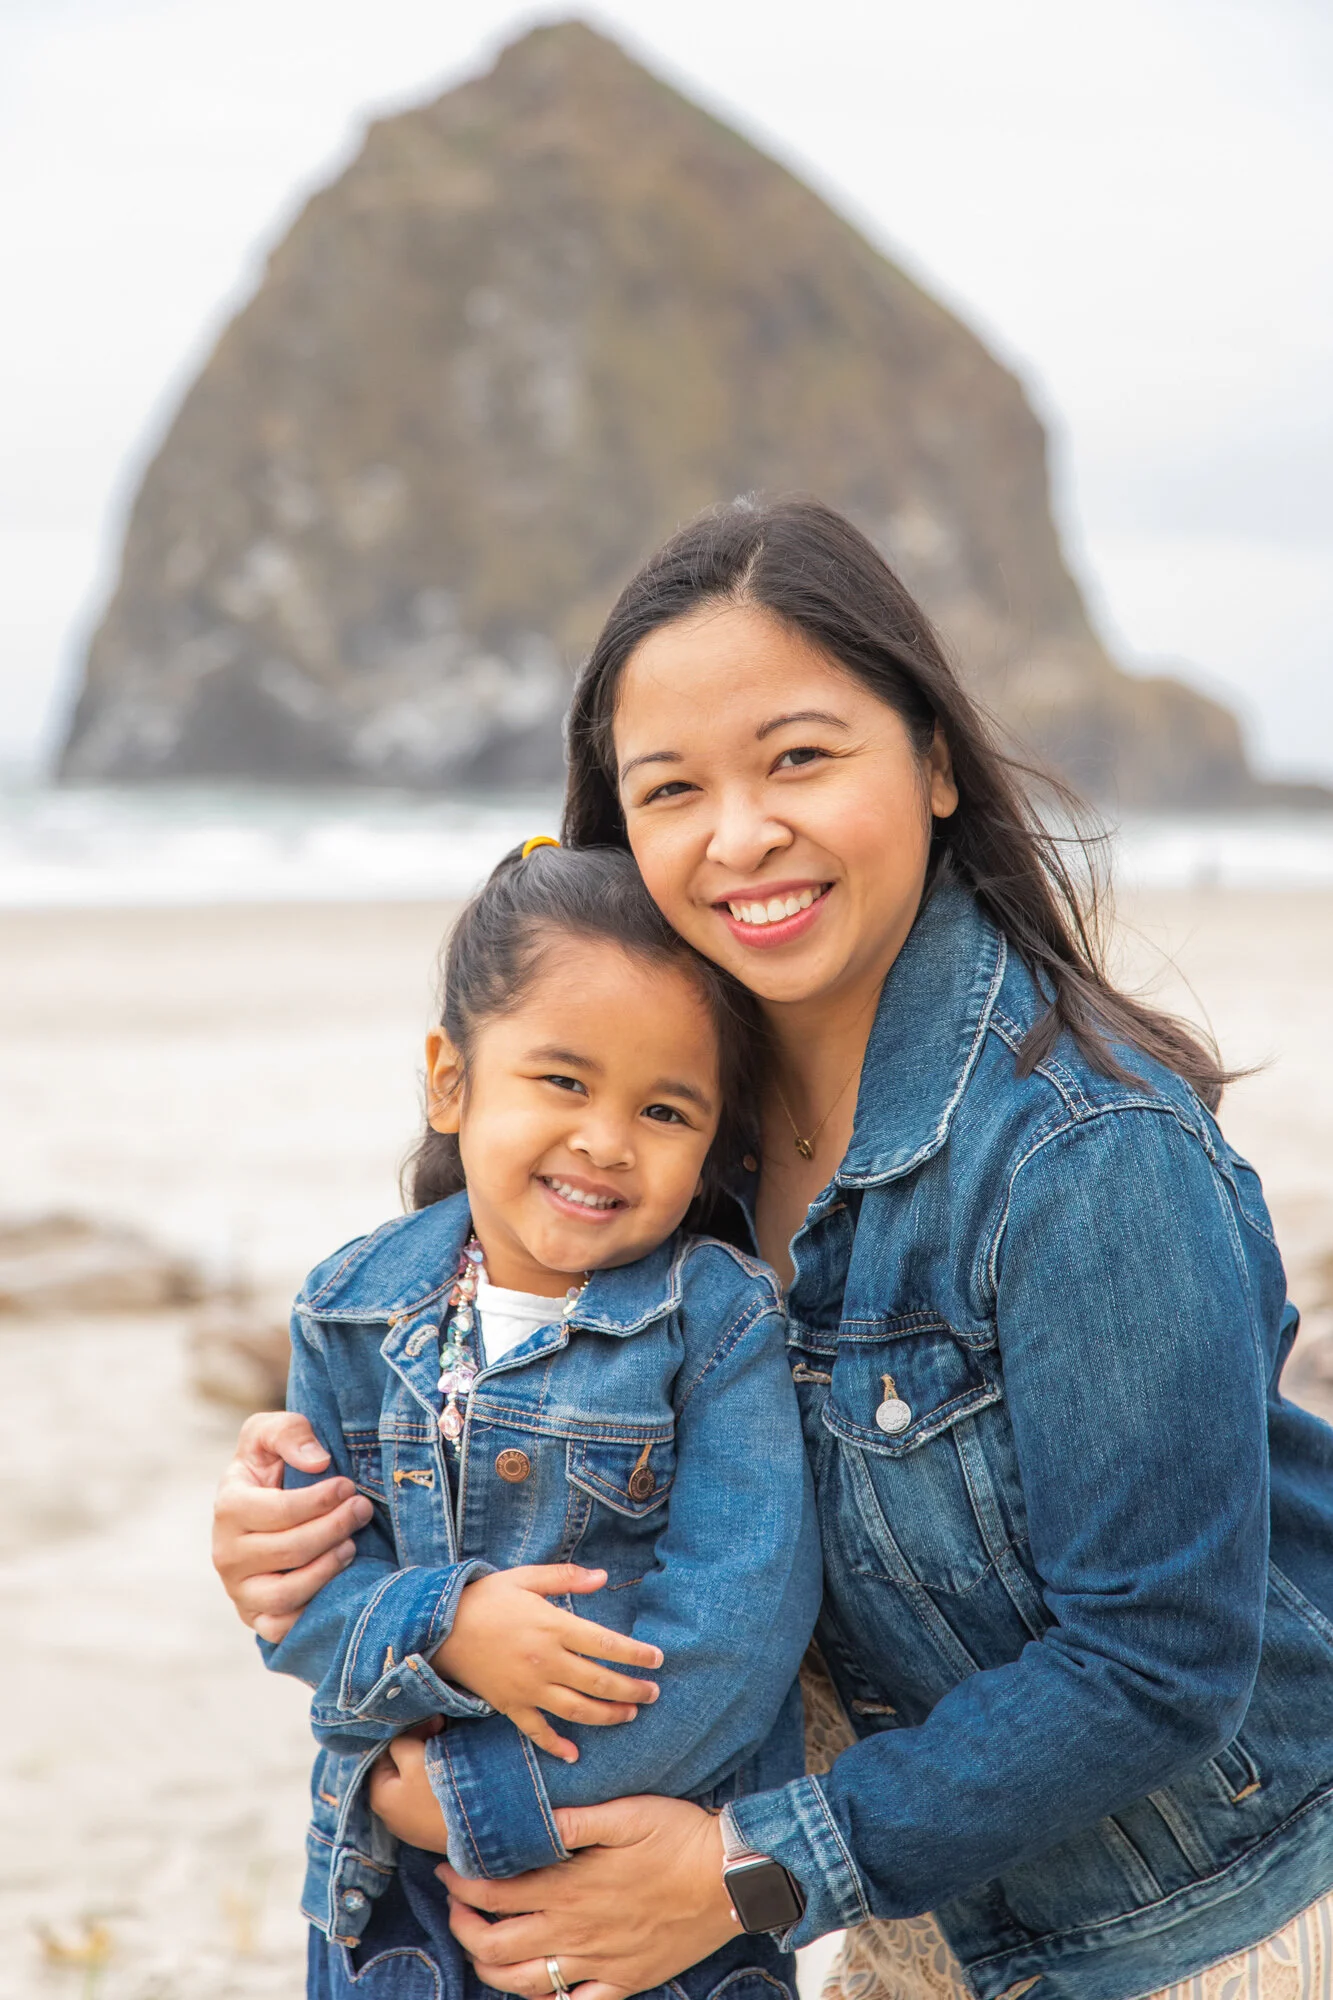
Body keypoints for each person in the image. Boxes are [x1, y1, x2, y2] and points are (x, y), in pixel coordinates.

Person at [215, 498, 1333, 2000]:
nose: (739, 836)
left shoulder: (1083, 1153)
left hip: (1208, 1927)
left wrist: (739, 1873)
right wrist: (302, 1544)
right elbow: (513, 1514)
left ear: (934, 762)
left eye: (799, 757)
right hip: (910, 1934)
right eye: (672, 788)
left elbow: (1156, 1663)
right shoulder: (663, 1161)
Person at [252, 838, 821, 1999]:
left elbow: (734, 1641)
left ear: (715, 1141)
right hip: (390, 1911)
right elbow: (302, 1601)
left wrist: (474, 1796)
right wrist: (447, 1623)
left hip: (646, 1915)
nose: (605, 1139)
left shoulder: (714, 1323)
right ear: (451, 1080)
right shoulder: (348, 1307)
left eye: (663, 1108)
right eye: (563, 1081)